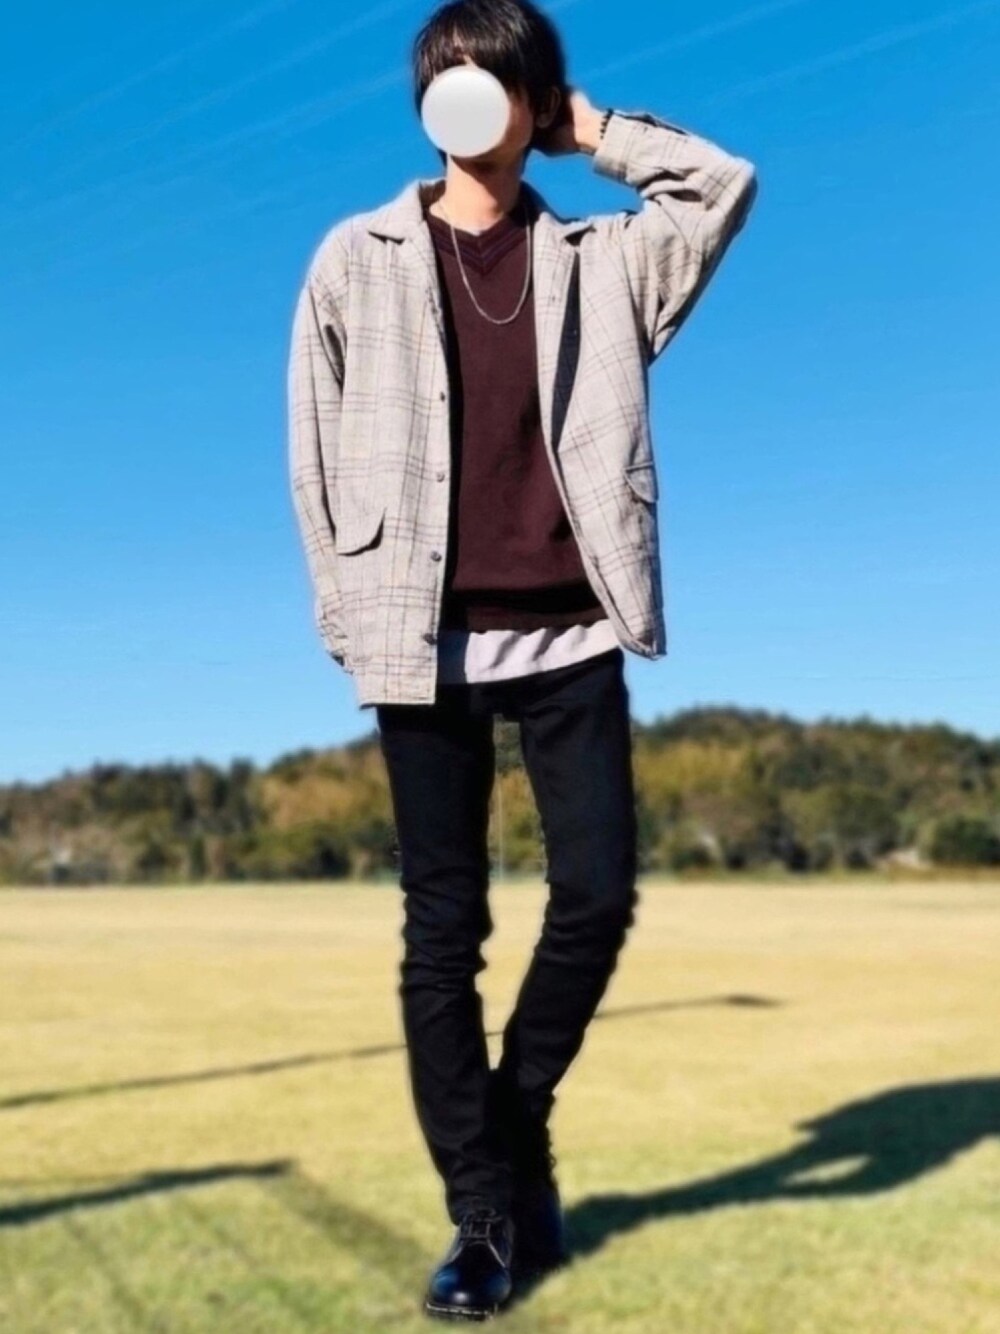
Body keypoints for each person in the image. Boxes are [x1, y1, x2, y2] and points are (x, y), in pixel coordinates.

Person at [287, 0, 758, 1319]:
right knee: (443, 928)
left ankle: (516, 1111)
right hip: (420, 635)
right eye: (445, 73)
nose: (463, 92)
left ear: (532, 100)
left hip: (572, 630)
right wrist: (348, 617)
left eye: (491, 76)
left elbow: (722, 186)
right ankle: (485, 1215)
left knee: (597, 895)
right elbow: (311, 450)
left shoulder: (607, 260)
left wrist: (587, 128)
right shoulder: (356, 256)